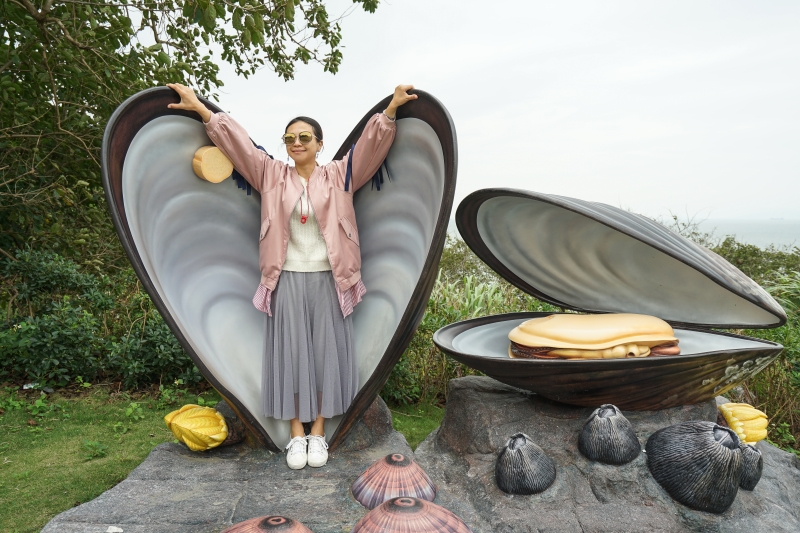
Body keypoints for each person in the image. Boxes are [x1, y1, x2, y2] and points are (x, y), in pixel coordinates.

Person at [166, 82, 417, 469]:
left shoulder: (339, 174)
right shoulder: (271, 175)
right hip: (284, 278)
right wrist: (202, 109)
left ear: (319, 143)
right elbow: (240, 147)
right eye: (289, 137)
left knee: (325, 356)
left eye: (304, 137)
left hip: (330, 279)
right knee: (291, 355)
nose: (295, 142)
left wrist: (391, 111)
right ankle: (296, 436)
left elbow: (369, 149)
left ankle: (319, 434)